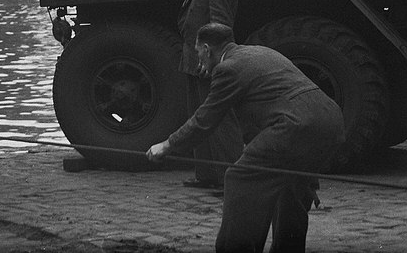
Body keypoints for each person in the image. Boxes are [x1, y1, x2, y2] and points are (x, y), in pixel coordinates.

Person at [147, 23, 344, 253]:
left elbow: (204, 119)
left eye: (198, 52)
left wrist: (167, 145)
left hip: (294, 127)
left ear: (207, 49)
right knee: (293, 186)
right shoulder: (260, 52)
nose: (198, 60)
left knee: (241, 178)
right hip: (331, 120)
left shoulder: (227, 69)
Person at [177, 0, 242, 189]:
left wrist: (212, 60)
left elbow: (220, 23)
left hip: (207, 60)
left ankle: (232, 180)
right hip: (196, 58)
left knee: (220, 119)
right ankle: (207, 174)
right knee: (200, 117)